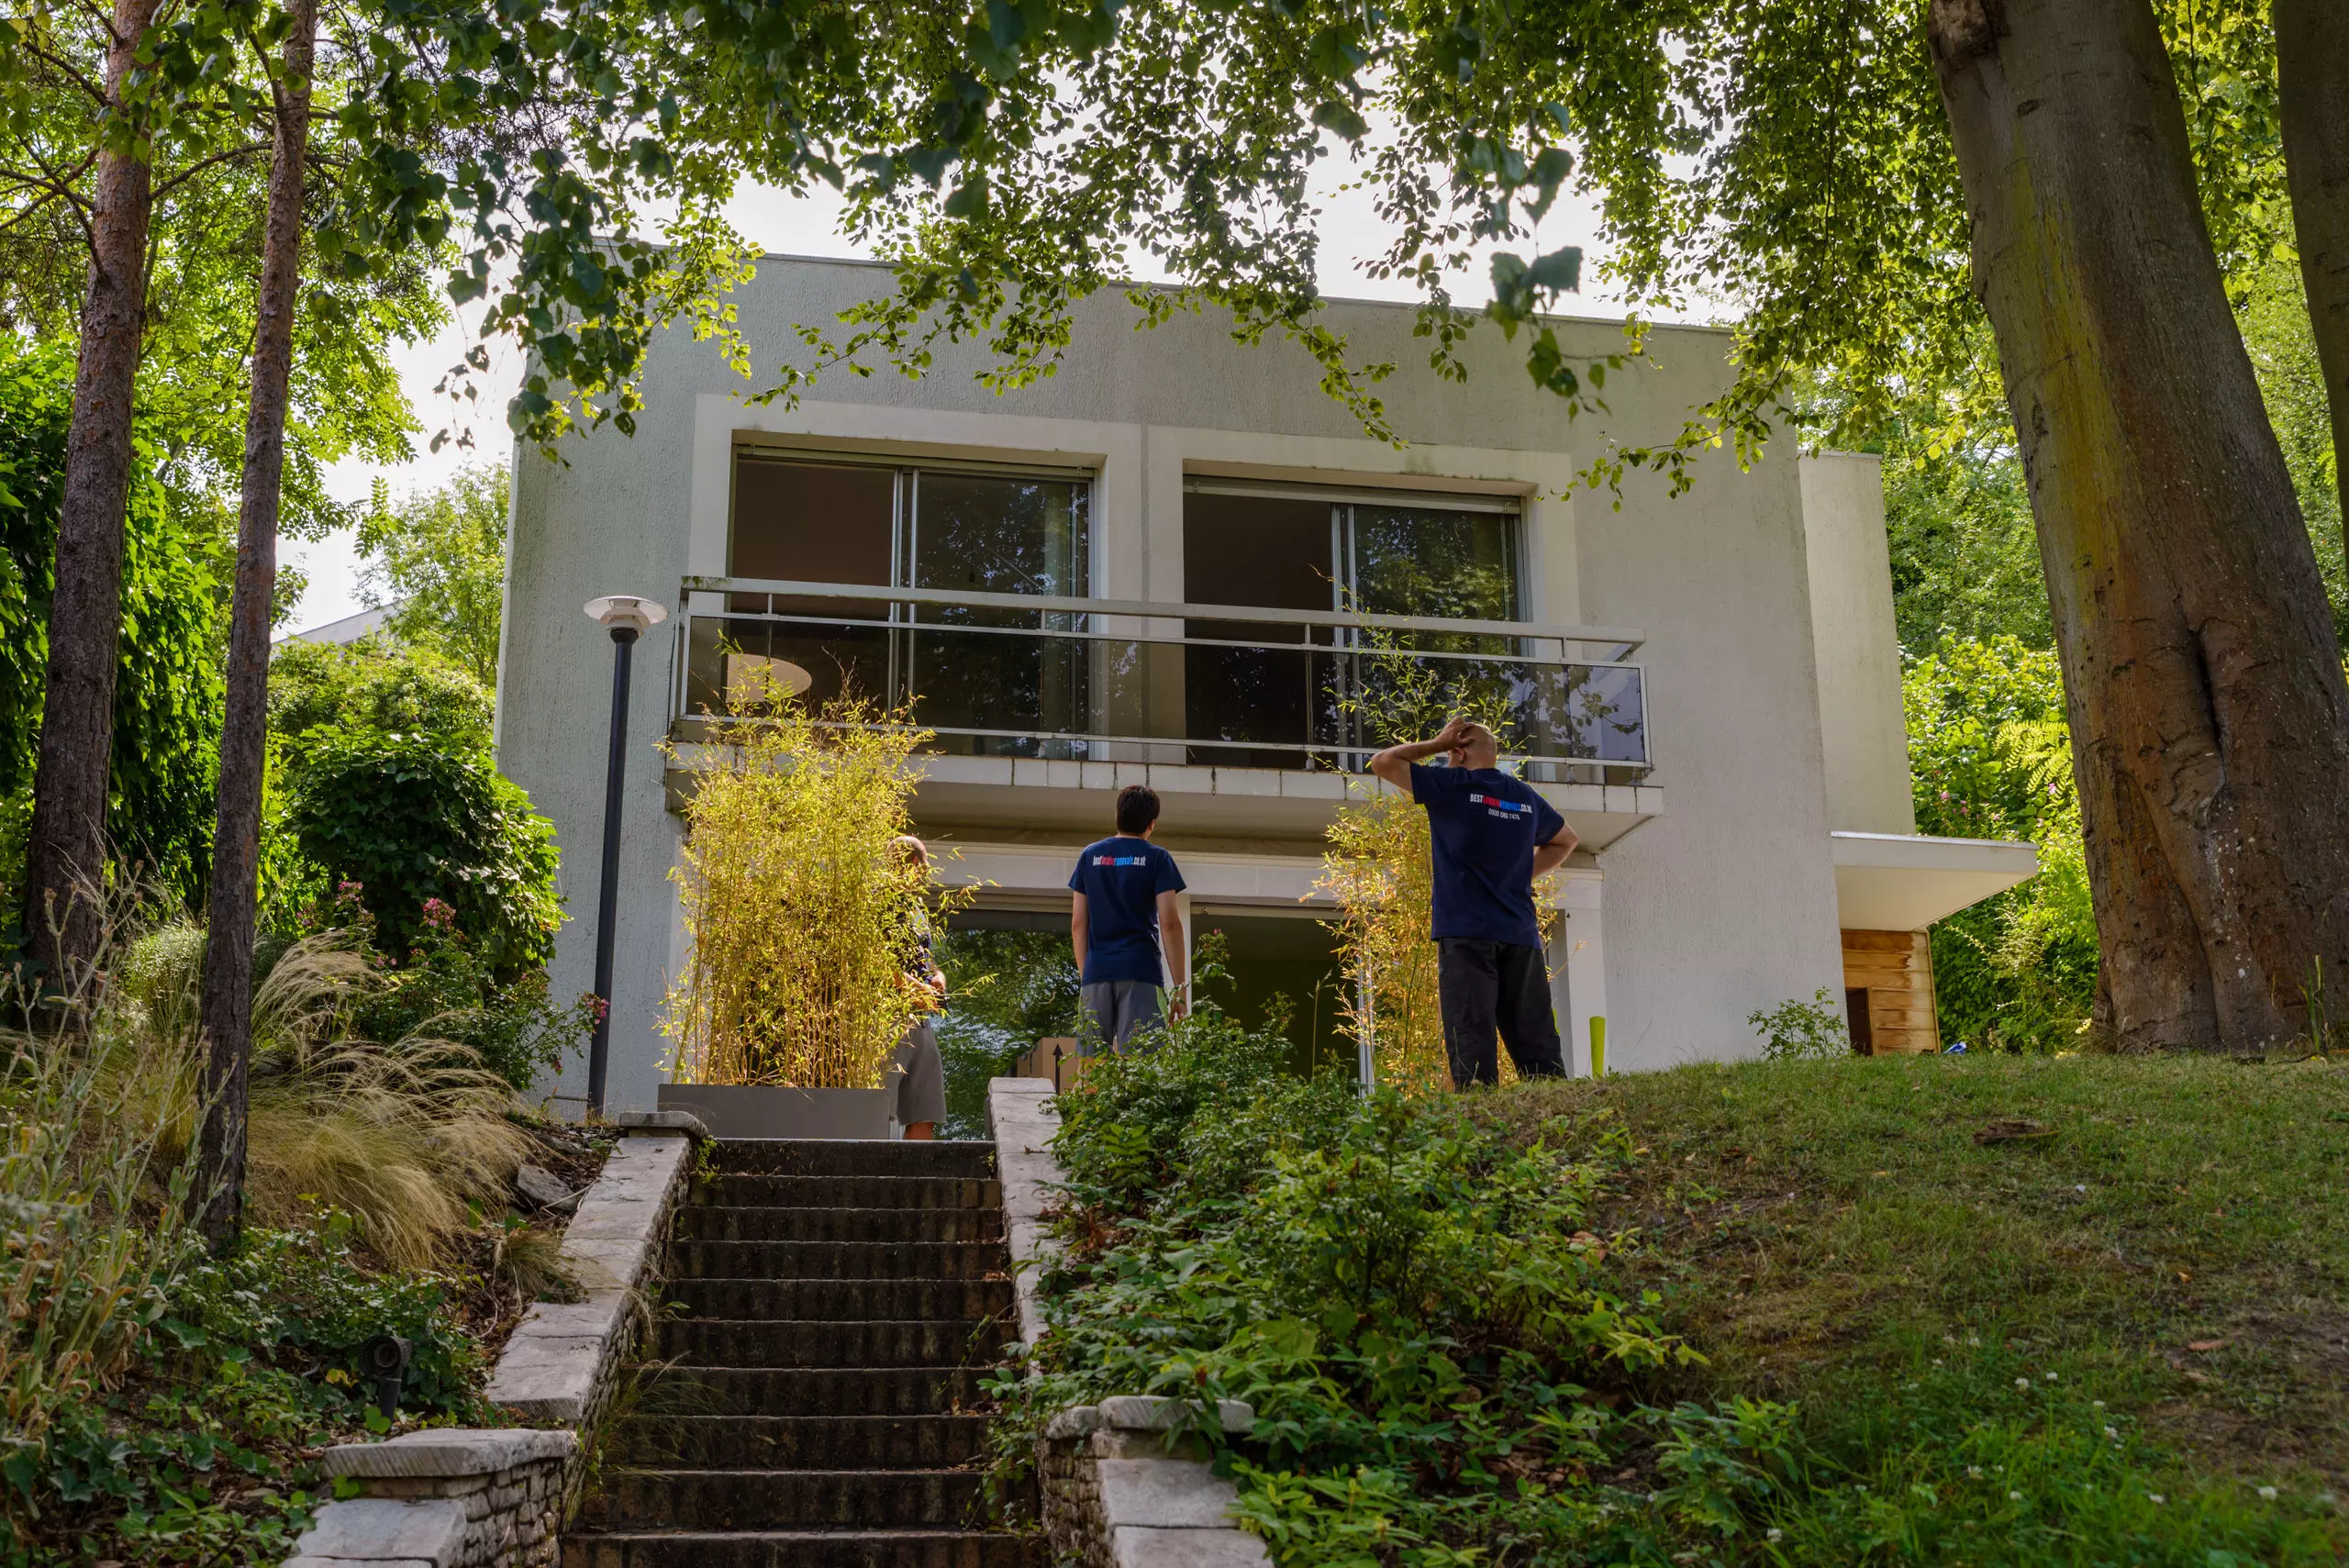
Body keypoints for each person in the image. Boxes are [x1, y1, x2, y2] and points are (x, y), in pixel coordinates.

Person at [1367, 717, 1577, 1089]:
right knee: (1538, 1048)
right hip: (1520, 936)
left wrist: (1435, 742)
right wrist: (1517, 876)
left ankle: (1479, 1134)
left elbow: (1383, 762)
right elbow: (1567, 840)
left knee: (1472, 1048)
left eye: (1450, 753)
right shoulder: (1525, 797)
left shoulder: (1453, 786)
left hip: (1466, 934)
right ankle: (1558, 1125)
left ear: (1459, 753)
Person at [1068, 784, 1187, 1052]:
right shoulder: (1158, 858)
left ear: (1117, 815)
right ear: (1152, 824)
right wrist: (1180, 989)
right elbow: (1170, 924)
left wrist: (1086, 976)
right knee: (1141, 1071)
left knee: (1091, 1069)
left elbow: (1078, 924)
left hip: (1097, 972)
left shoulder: (1089, 856)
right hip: (1140, 971)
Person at [886, 835, 948, 1139]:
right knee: (880, 1105)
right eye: (925, 864)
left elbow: (924, 959)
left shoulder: (916, 907)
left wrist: (938, 977)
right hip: (888, 1018)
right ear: (915, 863)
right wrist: (917, 988)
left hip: (920, 1017)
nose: (925, 872)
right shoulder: (881, 903)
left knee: (926, 1106)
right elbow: (879, 963)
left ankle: (916, 1180)